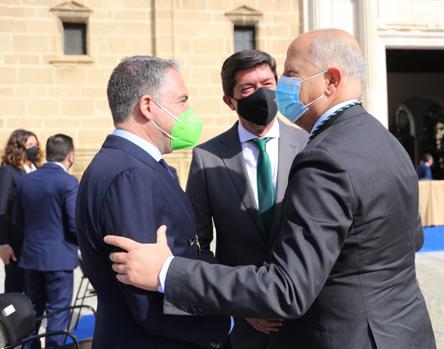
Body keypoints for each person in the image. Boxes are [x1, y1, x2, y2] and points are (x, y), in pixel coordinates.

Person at [105, 30, 436, 349]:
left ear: (330, 81)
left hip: (348, 335)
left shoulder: (323, 157)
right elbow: (410, 240)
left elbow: (288, 289)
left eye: (290, 75)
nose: (281, 89)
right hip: (403, 332)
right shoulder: (388, 143)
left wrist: (167, 271)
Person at [75, 56, 230, 349]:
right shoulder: (130, 175)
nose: (190, 112)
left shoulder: (135, 165)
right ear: (148, 106)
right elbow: (147, 298)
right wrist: (224, 322)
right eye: (182, 100)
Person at [186, 49, 307, 349]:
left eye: (267, 84)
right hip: (244, 328)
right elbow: (197, 244)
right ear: (230, 101)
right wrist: (239, 304)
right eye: (248, 89)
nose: (261, 94)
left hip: (305, 317)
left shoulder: (309, 145)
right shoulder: (208, 157)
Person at [12, 134, 78, 349]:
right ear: (70, 156)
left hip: (32, 257)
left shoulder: (26, 180)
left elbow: (17, 221)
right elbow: (74, 224)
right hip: (59, 259)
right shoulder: (68, 182)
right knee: (58, 313)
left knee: (33, 311)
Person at [0, 129, 39, 293]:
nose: (34, 148)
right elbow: (1, 209)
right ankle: (10, 319)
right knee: (15, 288)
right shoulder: (8, 172)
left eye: (36, 145)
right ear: (18, 147)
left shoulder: (36, 168)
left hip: (34, 241)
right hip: (16, 242)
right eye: (30, 145)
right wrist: (3, 243)